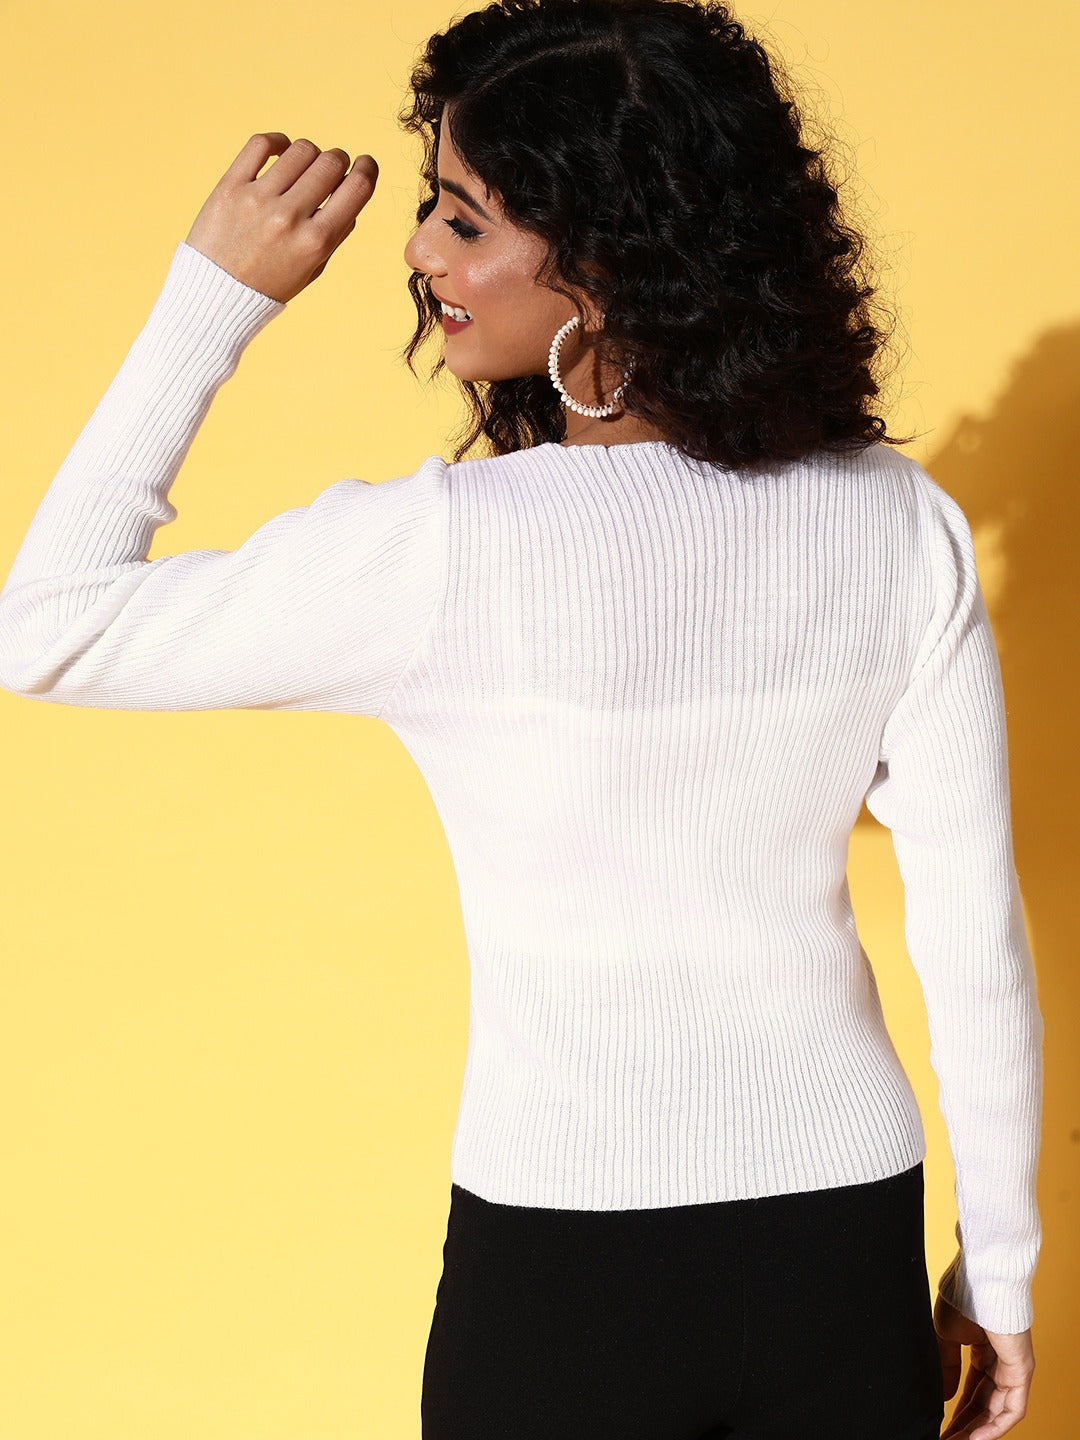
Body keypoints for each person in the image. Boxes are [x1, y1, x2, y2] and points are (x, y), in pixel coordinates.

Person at [0, 1, 1042, 1437]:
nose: (419, 252)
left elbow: (45, 626)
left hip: (567, 1266)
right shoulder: (897, 522)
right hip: (841, 1245)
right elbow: (974, 941)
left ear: (606, 267)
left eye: (464, 218)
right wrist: (1003, 1276)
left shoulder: (449, 552)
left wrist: (213, 296)